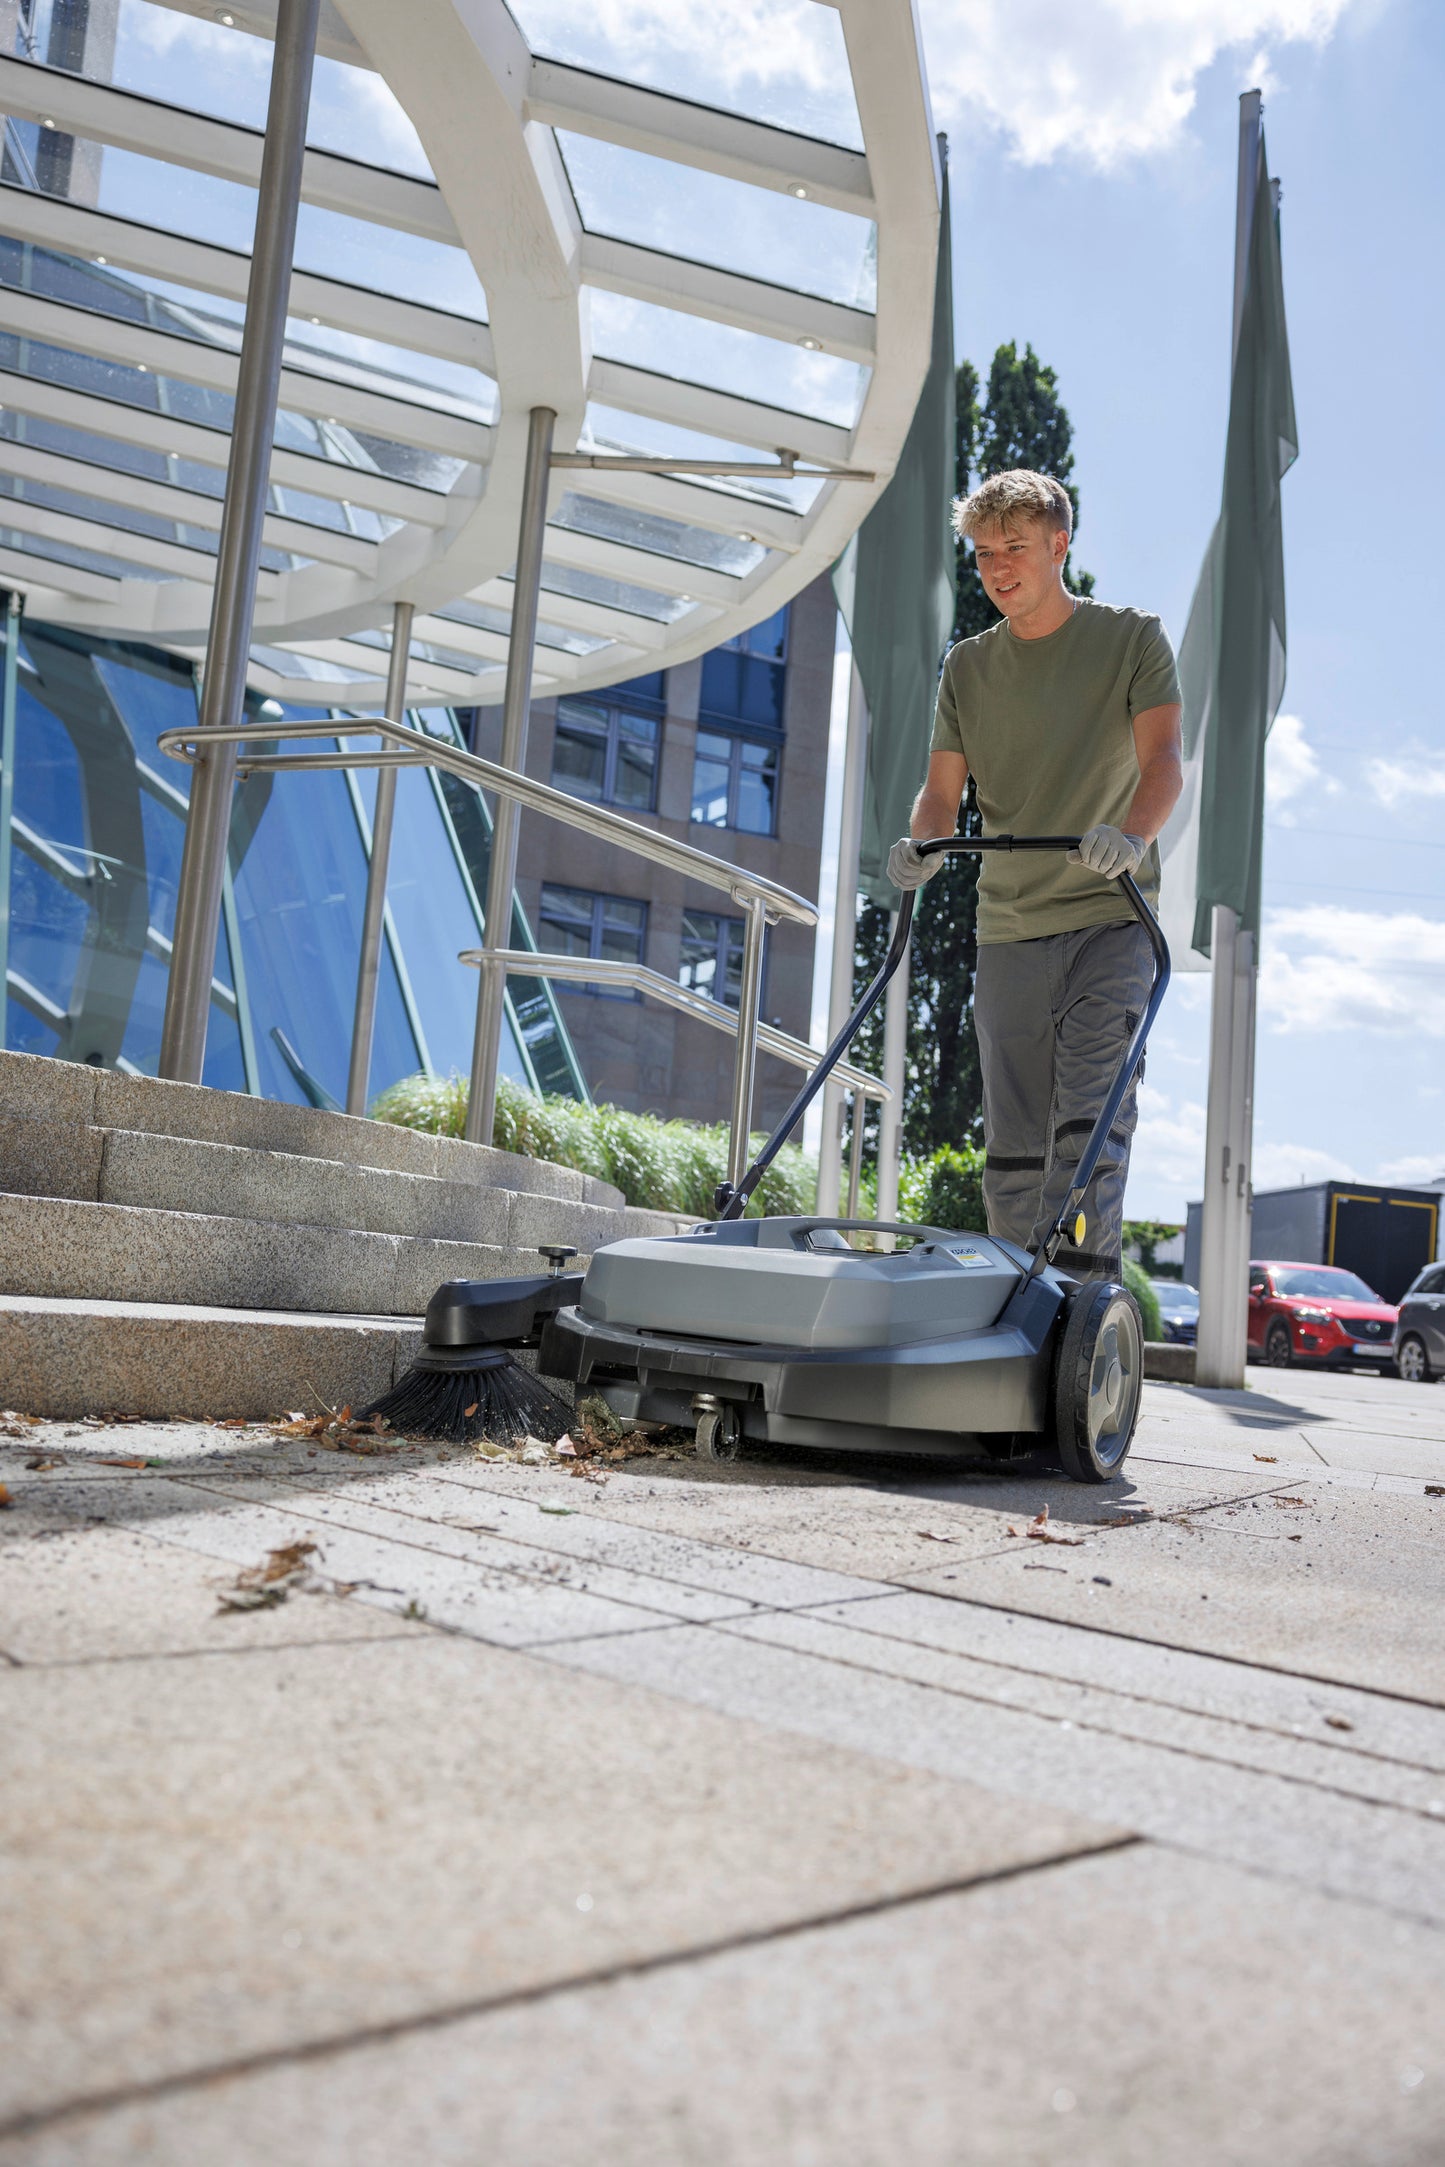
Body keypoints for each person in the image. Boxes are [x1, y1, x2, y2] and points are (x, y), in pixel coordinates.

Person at [888, 469, 1183, 1281]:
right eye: (983, 553)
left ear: (1060, 542)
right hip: (1010, 926)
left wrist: (1129, 835)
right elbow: (940, 794)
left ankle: (1081, 1307)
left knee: (1087, 1125)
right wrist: (922, 846)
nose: (996, 568)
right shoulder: (967, 668)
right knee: (1015, 1145)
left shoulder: (1131, 639)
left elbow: (1163, 762)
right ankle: (1015, 1303)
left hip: (1110, 917)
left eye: (1014, 547)